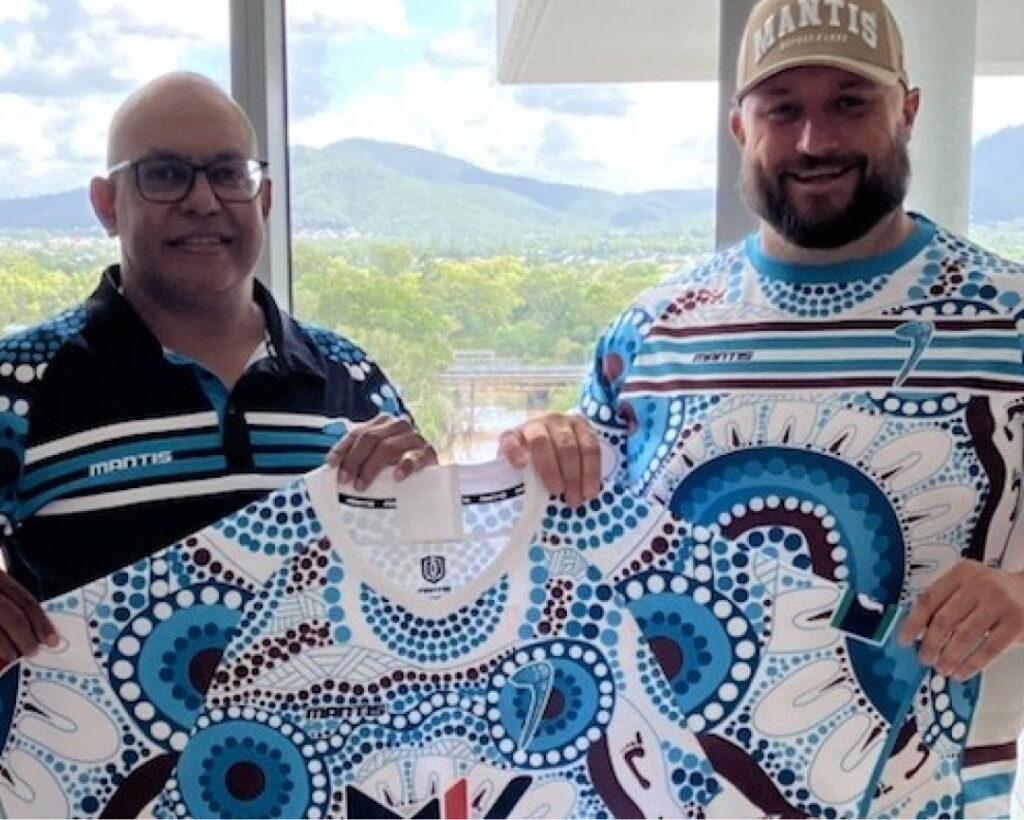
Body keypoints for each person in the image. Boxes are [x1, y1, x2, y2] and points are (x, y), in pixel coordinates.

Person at [580, 0, 1024, 815]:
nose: (816, 140)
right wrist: (539, 451)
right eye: (783, 109)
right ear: (741, 128)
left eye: (850, 102)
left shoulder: (1012, 321)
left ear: (910, 110)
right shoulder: (648, 337)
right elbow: (578, 572)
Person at [0, 72, 599, 663]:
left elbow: (428, 598)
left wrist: (514, 469)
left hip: (332, 756)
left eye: (229, 174)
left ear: (262, 200)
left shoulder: (353, 379)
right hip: (101, 756)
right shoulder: (18, 383)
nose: (203, 200)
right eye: (164, 176)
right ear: (107, 205)